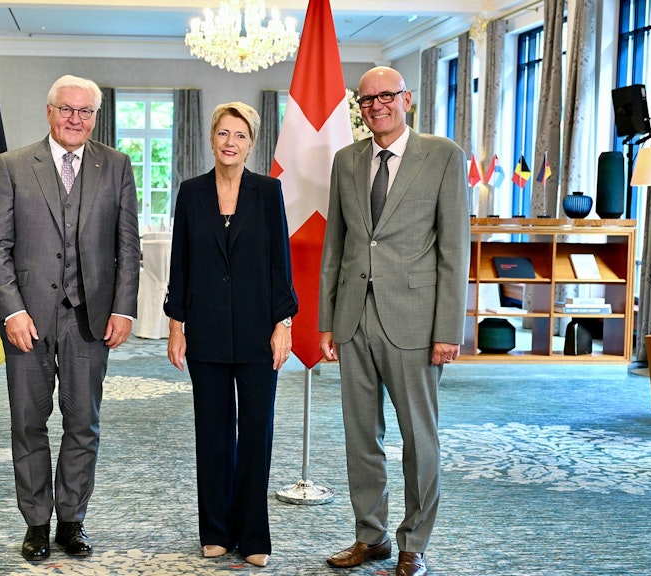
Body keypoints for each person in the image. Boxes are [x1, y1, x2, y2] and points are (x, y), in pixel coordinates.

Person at [318, 66, 470, 576]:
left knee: (417, 438)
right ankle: (372, 537)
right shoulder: (346, 161)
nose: (376, 105)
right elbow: (335, 248)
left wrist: (449, 329)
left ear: (406, 99)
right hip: (353, 320)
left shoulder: (443, 155)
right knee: (361, 438)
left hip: (415, 323)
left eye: (386, 96)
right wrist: (326, 320)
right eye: (366, 100)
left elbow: (454, 250)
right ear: (359, 109)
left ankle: (414, 544)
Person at [0, 74, 139, 562]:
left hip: (89, 321)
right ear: (49, 112)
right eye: (67, 109)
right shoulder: (11, 165)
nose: (76, 119)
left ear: (96, 116)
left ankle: (72, 520)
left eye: (86, 111)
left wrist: (122, 308)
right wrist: (12, 311)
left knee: (83, 423)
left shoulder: (115, 165)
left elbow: (127, 246)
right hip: (25, 321)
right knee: (28, 423)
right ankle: (36, 523)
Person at [164, 102, 298, 568]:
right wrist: (175, 325)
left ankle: (254, 533)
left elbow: (281, 262)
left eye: (240, 135)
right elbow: (180, 262)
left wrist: (284, 324)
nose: (229, 142)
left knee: (256, 432)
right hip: (206, 333)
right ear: (211, 138)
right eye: (223, 133)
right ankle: (216, 530)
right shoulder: (191, 192)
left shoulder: (267, 191)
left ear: (251, 143)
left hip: (260, 334)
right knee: (214, 434)